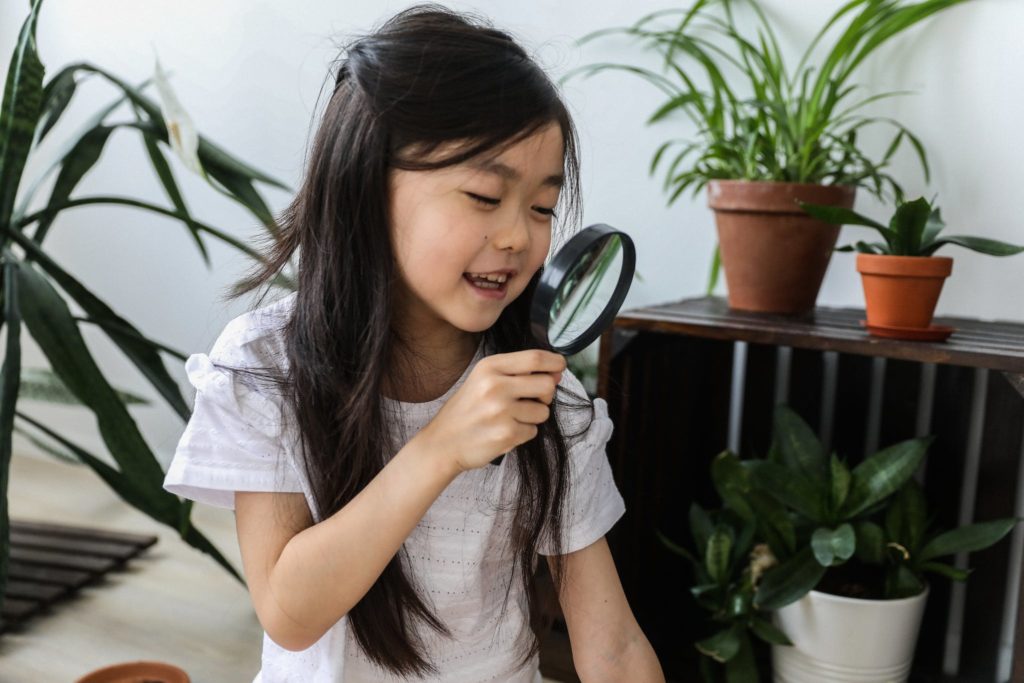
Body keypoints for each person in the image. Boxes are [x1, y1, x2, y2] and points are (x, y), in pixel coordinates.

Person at [163, 4, 663, 682]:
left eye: (542, 207)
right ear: (368, 187)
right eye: (486, 195)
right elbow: (289, 609)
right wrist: (439, 448)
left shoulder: (543, 397)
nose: (519, 235)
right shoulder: (267, 368)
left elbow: (614, 647)